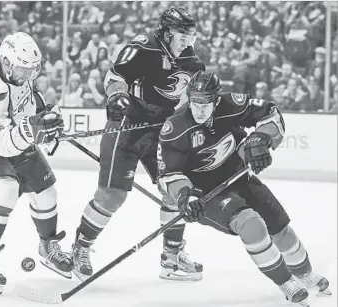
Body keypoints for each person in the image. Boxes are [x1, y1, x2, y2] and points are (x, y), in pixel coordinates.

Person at [157, 71, 331, 306]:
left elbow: (270, 112)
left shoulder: (230, 105)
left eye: (205, 104)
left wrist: (259, 140)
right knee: (251, 224)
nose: (199, 110)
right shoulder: (175, 128)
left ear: (216, 100)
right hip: (205, 193)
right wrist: (185, 197)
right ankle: (285, 281)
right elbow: (168, 174)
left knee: (280, 228)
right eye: (195, 103)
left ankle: (305, 274)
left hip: (238, 176)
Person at [71, 7, 205, 282]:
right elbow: (115, 77)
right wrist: (117, 97)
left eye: (191, 36)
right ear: (167, 33)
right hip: (128, 127)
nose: (188, 42)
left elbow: (194, 99)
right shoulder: (143, 48)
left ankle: (171, 255)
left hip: (161, 131)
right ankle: (80, 248)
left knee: (175, 186)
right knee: (112, 196)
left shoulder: (192, 60)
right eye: (182, 35)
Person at [0, 32, 73, 296]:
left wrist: (45, 117)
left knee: (46, 192)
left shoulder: (18, 70)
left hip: (14, 132)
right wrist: (31, 131)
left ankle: (47, 247)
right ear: (7, 64)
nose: (29, 75)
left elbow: (29, 97)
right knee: (4, 189)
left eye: (33, 69)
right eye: (23, 69)